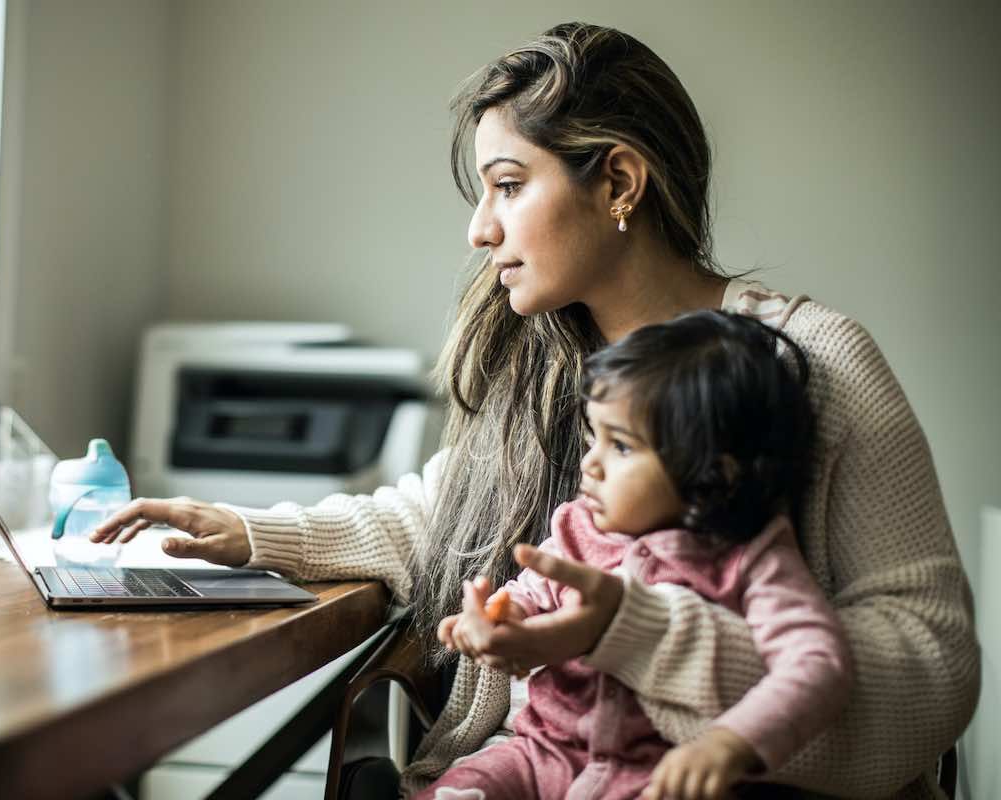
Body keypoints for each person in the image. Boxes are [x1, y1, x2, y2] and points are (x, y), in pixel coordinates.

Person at [91, 22, 979, 798]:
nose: (480, 230)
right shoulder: (543, 366)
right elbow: (441, 517)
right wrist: (248, 535)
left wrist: (638, 639)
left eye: (509, 185)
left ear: (620, 181)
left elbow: (931, 666)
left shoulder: (815, 361)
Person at [426, 309, 853, 800]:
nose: (590, 463)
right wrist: (498, 618)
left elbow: (818, 664)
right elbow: (529, 591)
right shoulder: (578, 526)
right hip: (541, 752)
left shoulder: (752, 558)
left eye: (621, 446)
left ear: (716, 475)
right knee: (461, 787)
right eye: (594, 437)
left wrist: (732, 743)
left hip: (660, 774)